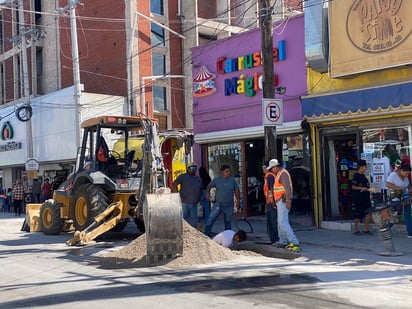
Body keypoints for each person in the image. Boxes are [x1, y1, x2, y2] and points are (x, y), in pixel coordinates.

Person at [267, 159, 301, 252]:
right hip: (280, 201)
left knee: (283, 222)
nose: (272, 170)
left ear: (275, 167)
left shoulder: (283, 174)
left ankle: (294, 242)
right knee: (280, 222)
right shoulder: (279, 173)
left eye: (272, 168)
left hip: (283, 201)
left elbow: (288, 188)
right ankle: (282, 241)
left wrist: (288, 201)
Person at [204, 165, 240, 236]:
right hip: (218, 204)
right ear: (222, 172)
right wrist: (207, 193)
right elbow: (209, 186)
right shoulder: (217, 180)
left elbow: (236, 191)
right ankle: (206, 234)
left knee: (228, 221)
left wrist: (238, 201)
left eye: (229, 171)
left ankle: (228, 236)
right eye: (227, 171)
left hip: (229, 205)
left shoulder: (232, 180)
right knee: (211, 219)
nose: (228, 173)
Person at [172, 162, 203, 227]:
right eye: (191, 168)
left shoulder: (198, 178)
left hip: (194, 204)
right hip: (184, 203)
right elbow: (174, 184)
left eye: (195, 168)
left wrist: (199, 198)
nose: (193, 169)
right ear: (187, 169)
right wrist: (178, 197)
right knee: (181, 220)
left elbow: (201, 189)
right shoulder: (183, 177)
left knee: (193, 221)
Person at [386, 163, 412, 238]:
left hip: (406, 197)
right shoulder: (393, 175)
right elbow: (387, 184)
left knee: (408, 215)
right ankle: (386, 229)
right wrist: (397, 188)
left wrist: (410, 189)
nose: (407, 175)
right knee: (396, 215)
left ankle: (410, 232)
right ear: (401, 170)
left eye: (408, 173)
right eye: (406, 173)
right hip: (396, 198)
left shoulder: (406, 177)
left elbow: (407, 185)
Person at [351, 160, 373, 235]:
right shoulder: (356, 176)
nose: (366, 168)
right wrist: (361, 188)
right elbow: (353, 187)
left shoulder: (364, 176)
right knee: (358, 215)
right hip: (358, 198)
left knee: (368, 213)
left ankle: (365, 229)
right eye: (365, 167)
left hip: (366, 198)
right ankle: (355, 229)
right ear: (361, 167)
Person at [263, 161, 279, 245]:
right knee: (270, 222)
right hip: (269, 202)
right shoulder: (268, 176)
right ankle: (273, 239)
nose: (263, 169)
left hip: (272, 202)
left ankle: (275, 240)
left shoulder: (270, 176)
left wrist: (272, 201)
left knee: (273, 222)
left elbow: (271, 189)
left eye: (264, 168)